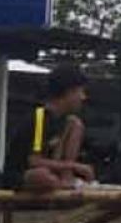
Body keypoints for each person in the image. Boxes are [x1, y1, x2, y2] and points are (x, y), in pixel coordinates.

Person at [6, 64, 94, 192]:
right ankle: (64, 185)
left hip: (55, 173)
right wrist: (75, 166)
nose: (83, 97)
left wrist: (68, 169)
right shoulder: (40, 118)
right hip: (23, 175)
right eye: (80, 91)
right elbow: (34, 161)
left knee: (75, 124)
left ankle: (67, 181)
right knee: (42, 176)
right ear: (69, 92)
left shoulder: (67, 121)